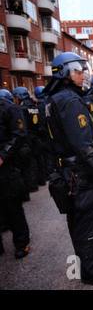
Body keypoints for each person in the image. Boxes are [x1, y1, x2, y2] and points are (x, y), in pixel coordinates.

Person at [44, 52, 93, 287]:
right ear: (65, 72)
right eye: (78, 70)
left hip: (66, 172)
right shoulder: (70, 101)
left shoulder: (53, 99)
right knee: (88, 225)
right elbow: (83, 145)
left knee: (77, 223)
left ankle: (85, 266)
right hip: (80, 175)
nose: (84, 74)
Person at [0, 92, 30, 259]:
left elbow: (19, 135)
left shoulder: (8, 109)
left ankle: (21, 242)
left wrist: (3, 156)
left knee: (13, 207)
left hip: (7, 168)